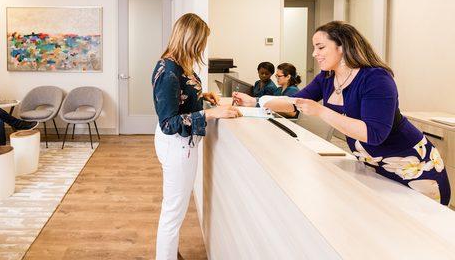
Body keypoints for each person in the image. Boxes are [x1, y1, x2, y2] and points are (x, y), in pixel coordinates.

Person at [234, 21, 450, 205]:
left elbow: (374, 134)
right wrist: (257, 101)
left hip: (411, 164)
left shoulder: (376, 78)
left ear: (342, 47)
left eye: (320, 47)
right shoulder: (327, 77)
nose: (314, 54)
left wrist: (321, 111)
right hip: (372, 163)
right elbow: (295, 102)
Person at [152, 13, 241, 260]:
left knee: (174, 209)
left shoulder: (180, 65)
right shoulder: (168, 71)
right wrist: (210, 114)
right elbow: (169, 123)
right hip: (177, 145)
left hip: (180, 145)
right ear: (189, 39)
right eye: (201, 41)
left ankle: (168, 253)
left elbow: (181, 99)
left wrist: (202, 97)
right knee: (172, 212)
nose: (202, 47)